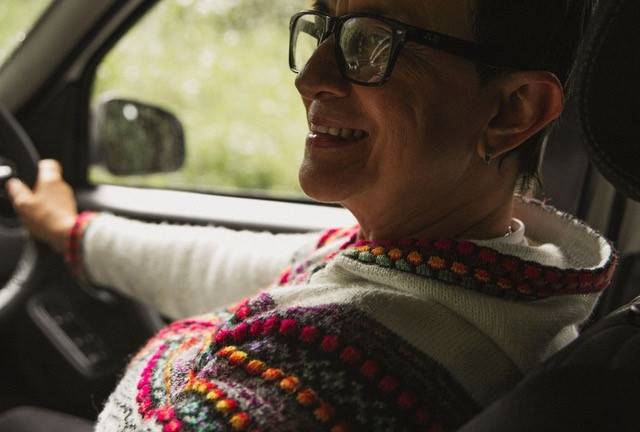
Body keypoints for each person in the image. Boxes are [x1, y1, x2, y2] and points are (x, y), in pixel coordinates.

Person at [5, 0, 615, 431]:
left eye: (377, 39)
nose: (312, 77)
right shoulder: (477, 273)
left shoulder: (341, 369)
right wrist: (74, 234)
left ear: (512, 110)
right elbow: (257, 268)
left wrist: (178, 345)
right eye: (327, 27)